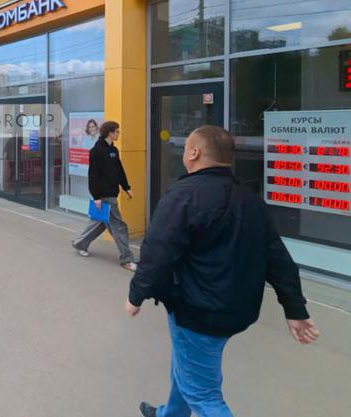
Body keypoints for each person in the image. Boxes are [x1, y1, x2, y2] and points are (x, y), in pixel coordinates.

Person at [128, 126, 319, 417]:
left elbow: (158, 250)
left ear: (194, 153)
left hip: (198, 310)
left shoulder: (183, 195)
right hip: (236, 308)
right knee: (188, 366)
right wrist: (295, 309)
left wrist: (136, 294)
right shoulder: (250, 200)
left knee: (203, 393)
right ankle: (172, 414)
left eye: (187, 147)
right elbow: (277, 258)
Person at [71, 120, 137, 270]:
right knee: (119, 227)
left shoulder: (114, 150)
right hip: (105, 195)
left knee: (100, 222)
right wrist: (96, 197)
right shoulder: (96, 151)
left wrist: (126, 187)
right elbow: (93, 176)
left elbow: (119, 170)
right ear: (110, 133)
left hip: (112, 192)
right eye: (117, 131)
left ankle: (80, 243)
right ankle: (126, 259)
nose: (119, 134)